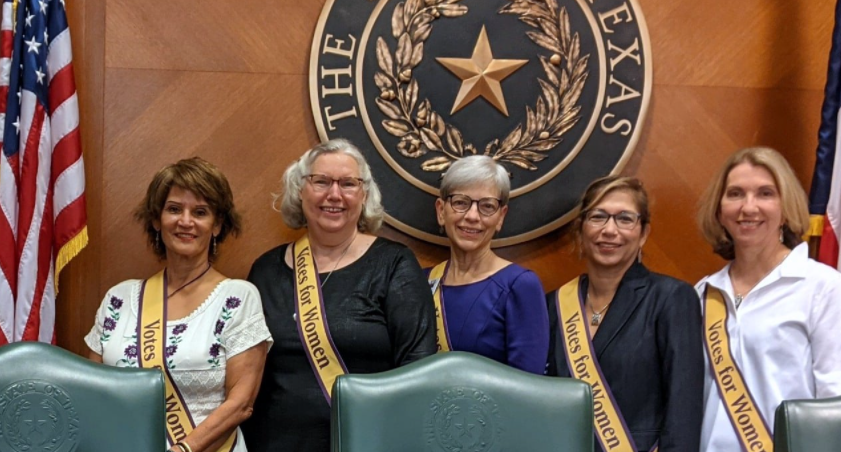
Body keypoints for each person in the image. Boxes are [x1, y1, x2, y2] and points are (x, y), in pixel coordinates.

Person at [241, 138, 436, 452]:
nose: (334, 194)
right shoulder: (265, 270)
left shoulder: (394, 264)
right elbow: (245, 373)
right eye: (321, 182)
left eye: (348, 183)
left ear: (363, 195)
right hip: (274, 443)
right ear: (300, 190)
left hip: (368, 443)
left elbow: (419, 368)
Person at [86, 158, 271, 452]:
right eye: (174, 209)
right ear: (157, 220)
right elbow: (90, 392)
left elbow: (241, 403)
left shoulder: (237, 298)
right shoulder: (118, 299)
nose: (186, 221)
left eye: (200, 212)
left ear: (217, 225)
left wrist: (183, 450)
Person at [696, 146, 841, 452]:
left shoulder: (822, 288)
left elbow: (839, 405)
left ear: (786, 209)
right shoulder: (703, 294)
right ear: (719, 210)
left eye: (765, 194)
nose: (748, 207)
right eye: (735, 194)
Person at [547, 176, 704, 452]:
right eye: (598, 216)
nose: (609, 230)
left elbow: (684, 409)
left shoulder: (671, 298)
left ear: (643, 233)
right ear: (581, 228)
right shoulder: (555, 304)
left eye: (624, 219)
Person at [425, 155, 548, 374]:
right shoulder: (422, 281)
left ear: (501, 217)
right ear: (441, 211)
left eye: (487, 206)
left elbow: (529, 388)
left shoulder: (519, 286)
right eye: (461, 202)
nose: (472, 216)